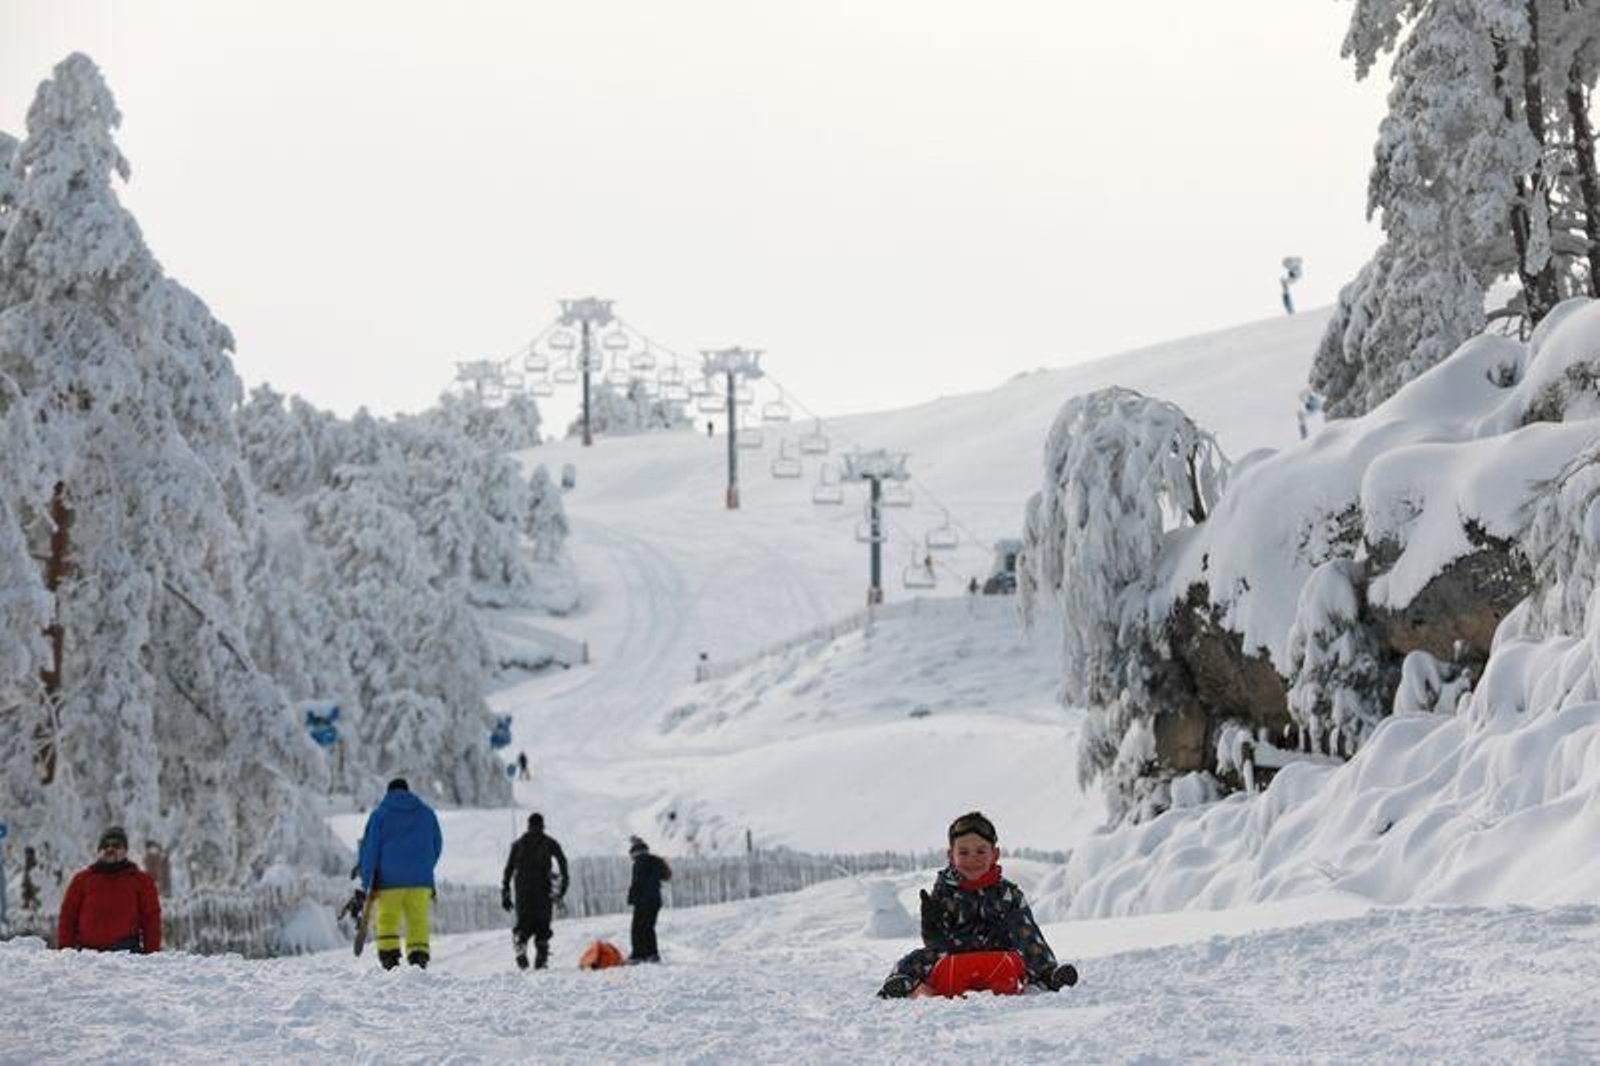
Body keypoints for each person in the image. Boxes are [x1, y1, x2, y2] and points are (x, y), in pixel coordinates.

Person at [877, 811, 1076, 999]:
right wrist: (931, 925)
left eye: (980, 851)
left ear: (995, 854)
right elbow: (936, 944)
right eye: (964, 852)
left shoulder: (1007, 893)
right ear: (951, 856)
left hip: (999, 953)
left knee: (1029, 951)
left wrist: (1038, 962)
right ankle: (901, 982)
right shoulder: (944, 893)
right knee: (920, 958)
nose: (972, 859)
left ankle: (1049, 975)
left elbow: (1027, 933)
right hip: (957, 956)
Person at [351, 777, 443, 970]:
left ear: (388, 793)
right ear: (408, 791)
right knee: (417, 920)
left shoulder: (380, 815)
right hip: (420, 881)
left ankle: (390, 960)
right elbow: (437, 845)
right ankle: (419, 960)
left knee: (387, 918)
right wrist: (424, 867)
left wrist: (365, 882)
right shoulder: (427, 813)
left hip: (388, 881)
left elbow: (370, 850)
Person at [56, 825, 161, 953]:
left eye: (116, 845)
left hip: (126, 955)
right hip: (88, 956)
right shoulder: (82, 880)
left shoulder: (141, 881)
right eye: (105, 846)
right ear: (99, 851)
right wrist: (66, 953)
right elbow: (68, 916)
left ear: (125, 850)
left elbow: (151, 919)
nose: (110, 849)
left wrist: (151, 954)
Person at [501, 812, 569, 970]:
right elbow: (563, 863)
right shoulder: (550, 843)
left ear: (529, 825)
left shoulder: (517, 844)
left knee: (523, 925)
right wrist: (562, 889)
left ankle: (520, 942)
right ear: (542, 826)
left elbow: (508, 870)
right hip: (543, 890)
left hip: (522, 891)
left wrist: (505, 893)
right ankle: (541, 958)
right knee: (542, 926)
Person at [626, 836, 672, 963]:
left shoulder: (639, 863)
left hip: (643, 901)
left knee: (637, 928)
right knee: (648, 927)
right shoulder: (655, 861)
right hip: (655, 900)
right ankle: (652, 954)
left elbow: (637, 883)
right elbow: (665, 876)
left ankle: (638, 955)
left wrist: (631, 898)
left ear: (635, 852)